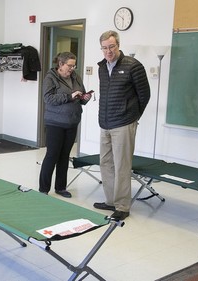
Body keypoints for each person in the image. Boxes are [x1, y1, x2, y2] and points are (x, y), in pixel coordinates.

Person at [93, 30, 151, 220]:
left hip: (124, 123)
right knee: (106, 164)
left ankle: (123, 206)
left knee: (121, 166)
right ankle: (111, 201)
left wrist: (132, 117)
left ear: (118, 45)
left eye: (111, 47)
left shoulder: (133, 66)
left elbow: (144, 95)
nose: (108, 51)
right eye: (104, 48)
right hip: (105, 123)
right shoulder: (102, 67)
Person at [39, 52, 92, 198]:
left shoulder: (76, 77)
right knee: (52, 155)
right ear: (61, 64)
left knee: (64, 156)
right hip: (55, 123)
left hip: (72, 122)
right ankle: (43, 189)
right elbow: (48, 98)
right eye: (69, 65)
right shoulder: (50, 78)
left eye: (74, 65)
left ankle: (61, 187)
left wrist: (85, 98)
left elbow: (80, 97)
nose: (72, 68)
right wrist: (69, 96)